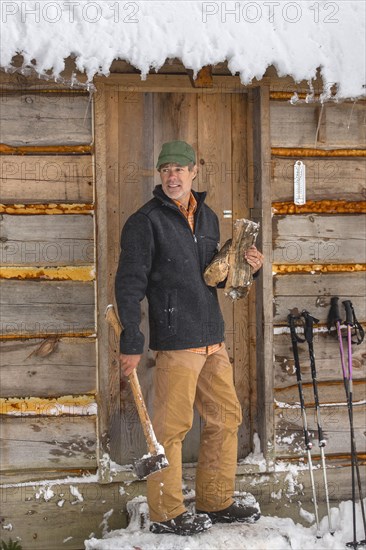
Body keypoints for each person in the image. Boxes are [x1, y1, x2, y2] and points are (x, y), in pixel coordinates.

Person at [115, 140, 264, 536]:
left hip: (213, 337)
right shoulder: (144, 222)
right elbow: (129, 284)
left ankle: (216, 501)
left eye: (179, 169)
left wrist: (250, 267)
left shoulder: (210, 218)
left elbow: (217, 277)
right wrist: (131, 341)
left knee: (226, 418)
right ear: (159, 174)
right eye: (165, 169)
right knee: (171, 429)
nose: (172, 176)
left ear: (194, 171)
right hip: (177, 341)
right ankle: (166, 514)